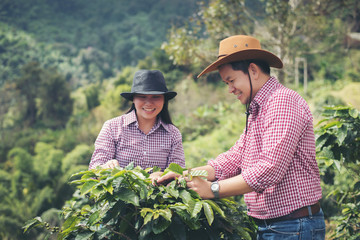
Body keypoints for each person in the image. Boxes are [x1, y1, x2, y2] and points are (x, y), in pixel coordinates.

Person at [157, 35, 325, 239]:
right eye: (226, 83)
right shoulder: (258, 110)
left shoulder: (282, 102)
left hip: (292, 226)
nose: (230, 89)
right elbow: (233, 159)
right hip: (274, 227)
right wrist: (185, 175)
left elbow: (270, 169)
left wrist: (213, 189)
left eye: (231, 80)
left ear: (253, 70)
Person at [89, 69, 185, 178]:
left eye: (156, 96)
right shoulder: (112, 127)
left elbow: (179, 174)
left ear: (164, 100)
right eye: (142, 96)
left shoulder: (173, 134)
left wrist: (162, 175)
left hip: (159, 194)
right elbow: (94, 169)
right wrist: (105, 167)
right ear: (133, 99)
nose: (149, 103)